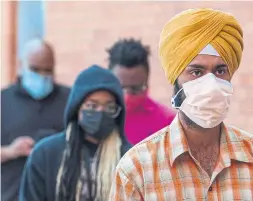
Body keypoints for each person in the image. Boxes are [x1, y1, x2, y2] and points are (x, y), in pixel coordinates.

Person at [109, 8, 253, 200]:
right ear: (175, 80)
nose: (210, 85)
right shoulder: (137, 170)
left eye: (220, 71)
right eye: (196, 72)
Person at [19, 65, 131, 201]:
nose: (100, 112)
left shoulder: (129, 159)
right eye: (92, 106)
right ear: (76, 108)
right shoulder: (46, 154)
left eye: (109, 107)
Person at [1, 39, 70, 201]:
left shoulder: (70, 100)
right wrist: (11, 151)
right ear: (20, 65)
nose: (41, 76)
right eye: (35, 69)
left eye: (47, 71)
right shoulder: (3, 101)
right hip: (13, 194)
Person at [107, 38, 175, 145]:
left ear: (147, 82)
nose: (127, 96)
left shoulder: (167, 124)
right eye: (121, 88)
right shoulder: (96, 117)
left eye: (136, 89)